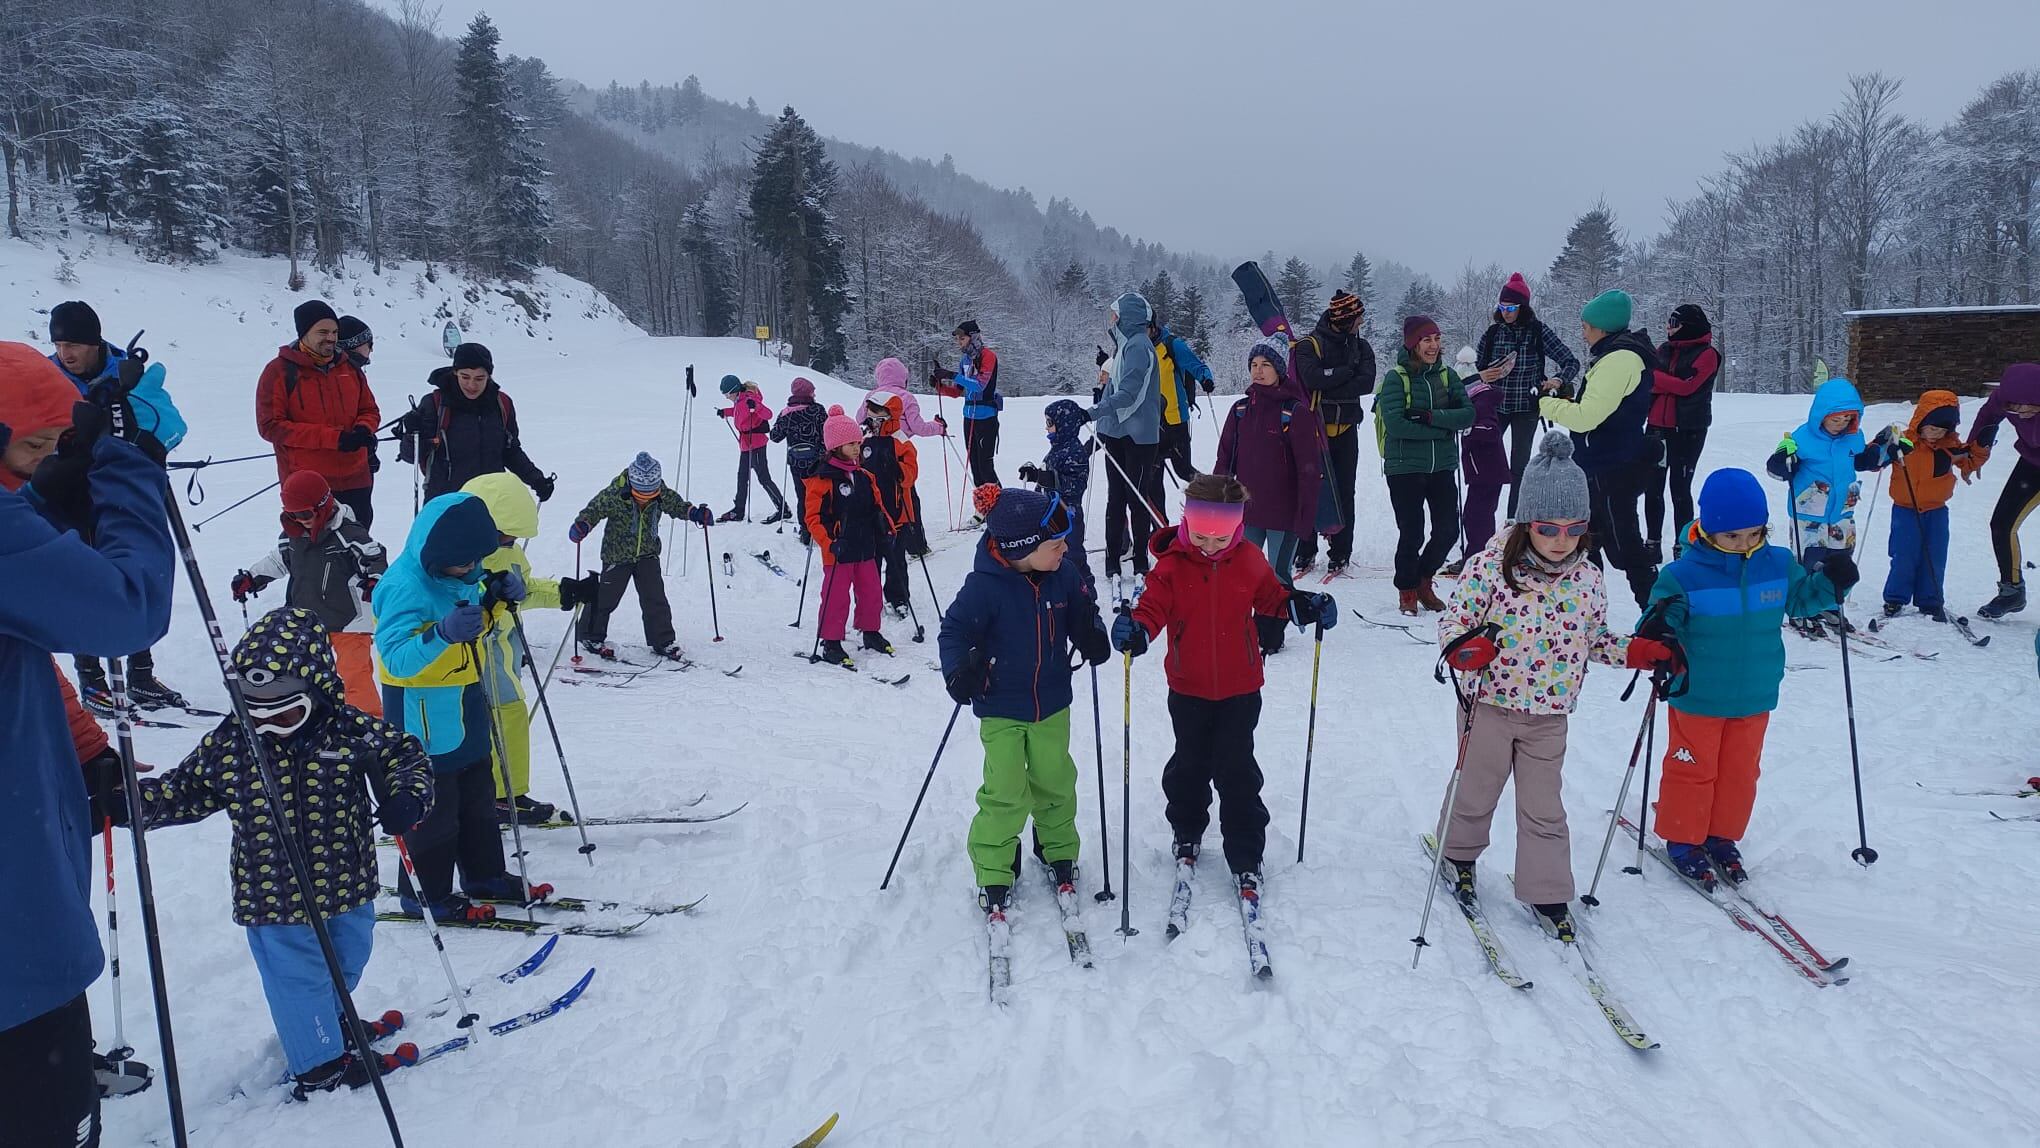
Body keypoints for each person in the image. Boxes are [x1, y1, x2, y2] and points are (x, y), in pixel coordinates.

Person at [118, 608, 433, 1097]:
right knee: (299, 980)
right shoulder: (232, 743)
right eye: (254, 712)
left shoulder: (347, 729)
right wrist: (132, 803)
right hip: (273, 895)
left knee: (349, 956)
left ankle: (330, 1022)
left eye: (284, 713)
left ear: (317, 693)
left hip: (347, 880)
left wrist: (405, 795)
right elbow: (186, 790)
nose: (267, 726)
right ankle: (319, 1063)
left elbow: (403, 753)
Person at [1, 340, 174, 1148]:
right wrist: (126, 473)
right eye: (30, 447)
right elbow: (128, 608)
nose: (38, 465)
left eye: (51, 448)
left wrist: (80, 746)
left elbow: (20, 643)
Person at [1434, 433, 1675, 935]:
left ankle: (1546, 891)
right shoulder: (1488, 569)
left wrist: (1635, 651)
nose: (1561, 539)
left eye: (1574, 528)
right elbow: (1454, 623)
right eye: (1548, 528)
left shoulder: (1587, 578)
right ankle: (1457, 855)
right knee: (1476, 793)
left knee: (1544, 809)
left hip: (1549, 716)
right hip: (1490, 707)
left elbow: (1594, 638)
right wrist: (1464, 648)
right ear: (1526, 523)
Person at [1111, 474, 1336, 896]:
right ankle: (1187, 829)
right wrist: (1138, 630)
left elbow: (1272, 597)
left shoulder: (1249, 559)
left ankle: (1246, 852)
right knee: (1190, 764)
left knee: (1237, 771)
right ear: (1186, 523)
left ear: (1237, 527)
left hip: (1240, 687)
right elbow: (1152, 608)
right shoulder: (1172, 566)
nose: (1209, 548)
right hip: (1188, 687)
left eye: (1220, 539)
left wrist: (1301, 605)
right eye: (1200, 537)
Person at [1643, 468, 1856, 884]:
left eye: (1754, 534)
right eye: (1732, 537)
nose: (1745, 545)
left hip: (1754, 693)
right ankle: (1684, 839)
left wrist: (1832, 583)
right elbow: (1660, 614)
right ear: (1707, 530)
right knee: (1694, 769)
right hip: (1699, 694)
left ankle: (1721, 836)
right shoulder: (1683, 574)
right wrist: (1661, 631)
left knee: (1740, 771)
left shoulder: (1776, 563)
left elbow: (1801, 600)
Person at [375, 490, 552, 921]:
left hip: (466, 699)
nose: (473, 570)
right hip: (423, 714)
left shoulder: (461, 572)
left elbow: (473, 627)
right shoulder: (402, 587)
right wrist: (441, 634)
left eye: (478, 562)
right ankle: (425, 895)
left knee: (478, 791)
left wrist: (491, 601)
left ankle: (484, 874)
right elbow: (394, 657)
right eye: (465, 564)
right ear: (437, 557)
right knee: (434, 806)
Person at [939, 486, 1110, 913]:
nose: (1064, 549)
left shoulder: (1063, 573)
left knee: (1056, 782)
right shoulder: (985, 586)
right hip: (1000, 707)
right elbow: (954, 632)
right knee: (1006, 791)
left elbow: (1082, 611)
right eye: (1055, 545)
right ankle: (996, 868)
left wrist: (1092, 632)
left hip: (1052, 703)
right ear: (1022, 548)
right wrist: (960, 669)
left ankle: (1058, 849)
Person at [46, 300, 191, 710]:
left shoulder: (129, 373)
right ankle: (91, 678)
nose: (65, 353)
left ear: (95, 342)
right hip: (70, 494)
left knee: (136, 574)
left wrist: (142, 435)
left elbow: (172, 427)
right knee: (83, 581)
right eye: (58, 343)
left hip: (126, 492)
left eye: (73, 343)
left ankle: (141, 675)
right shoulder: (45, 377)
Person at [463, 472, 601, 825]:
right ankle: (491, 796)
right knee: (491, 722)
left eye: (514, 535)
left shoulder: (506, 553)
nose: (511, 541)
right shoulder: (461, 554)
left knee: (507, 719)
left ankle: (502, 793)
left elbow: (522, 590)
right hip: (473, 655)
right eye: (506, 534)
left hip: (504, 653)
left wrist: (564, 593)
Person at [1537, 290, 1660, 609]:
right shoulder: (1614, 356)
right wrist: (1567, 398)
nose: (1583, 332)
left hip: (1612, 467)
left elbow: (1587, 418)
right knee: (1586, 543)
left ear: (1603, 328)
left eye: (1586, 326)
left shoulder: (1620, 359)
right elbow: (1598, 409)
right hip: (1599, 465)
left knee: (1626, 549)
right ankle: (1584, 614)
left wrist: (1547, 405)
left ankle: (1659, 618)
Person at [232, 470, 388, 716]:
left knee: (353, 673)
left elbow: (374, 557)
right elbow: (278, 561)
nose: (300, 520)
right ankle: (311, 713)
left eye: (304, 514)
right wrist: (252, 578)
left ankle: (366, 719)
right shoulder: (293, 536)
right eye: (292, 516)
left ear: (323, 506)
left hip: (349, 620)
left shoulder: (348, 534)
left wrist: (373, 582)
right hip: (307, 619)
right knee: (305, 670)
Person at [1214, 342, 1325, 653]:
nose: (1258, 371)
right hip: (1247, 512)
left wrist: (1305, 517)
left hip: (1284, 515)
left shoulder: (1295, 411)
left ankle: (1271, 633)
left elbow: (1308, 470)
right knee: (1240, 571)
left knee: (1276, 575)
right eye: (1254, 365)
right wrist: (1214, 504)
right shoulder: (1239, 410)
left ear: (1279, 370)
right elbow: (1225, 460)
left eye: (1265, 364)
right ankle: (1236, 626)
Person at [1764, 376, 1893, 631]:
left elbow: (1860, 461)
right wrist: (1783, 461)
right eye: (1836, 419)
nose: (1841, 425)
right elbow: (1776, 469)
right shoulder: (1802, 438)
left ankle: (1831, 605)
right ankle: (1804, 607)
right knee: (1810, 560)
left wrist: (1884, 453)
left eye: (1848, 420)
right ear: (1820, 415)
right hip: (1809, 513)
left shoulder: (1854, 438)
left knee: (1841, 560)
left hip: (1842, 512)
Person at [567, 452, 713, 661]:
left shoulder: (660, 493)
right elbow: (593, 510)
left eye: (651, 493)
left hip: (647, 553)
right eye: (641, 493)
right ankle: (589, 635)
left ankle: (662, 640)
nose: (646, 496)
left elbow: (677, 505)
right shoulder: (615, 493)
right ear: (632, 485)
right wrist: (583, 524)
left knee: (655, 598)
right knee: (605, 597)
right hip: (617, 554)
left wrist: (695, 513)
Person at [1377, 315, 1475, 615]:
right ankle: (1407, 589)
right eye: (1426, 340)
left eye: (1436, 339)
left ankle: (1423, 579)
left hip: (1441, 465)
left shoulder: (1447, 376)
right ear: (1412, 344)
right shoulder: (1397, 377)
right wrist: (1443, 429)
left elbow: (1468, 414)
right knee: (1413, 531)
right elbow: (1396, 424)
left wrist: (1431, 418)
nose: (1433, 346)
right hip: (1404, 467)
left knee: (1447, 529)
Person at [257, 299, 382, 525]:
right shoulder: (279, 371)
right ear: (304, 333)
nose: (331, 338)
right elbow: (270, 426)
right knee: (312, 552)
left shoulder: (349, 367)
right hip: (308, 483)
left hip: (357, 478)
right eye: (322, 332)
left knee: (359, 548)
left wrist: (364, 428)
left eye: (334, 332)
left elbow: (369, 409)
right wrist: (334, 438)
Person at [1473, 273, 1581, 515]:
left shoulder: (1538, 332)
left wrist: (1557, 379)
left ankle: (1513, 523)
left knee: (1519, 469)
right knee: (1488, 464)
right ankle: (1482, 520)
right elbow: (1474, 370)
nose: (1506, 312)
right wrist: (1483, 375)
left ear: (1523, 307)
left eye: (1511, 307)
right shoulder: (1492, 334)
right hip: (1494, 409)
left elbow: (1571, 362)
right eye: (1502, 307)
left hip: (1527, 408)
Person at [1291, 290, 1378, 577]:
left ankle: (1340, 551)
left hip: (1346, 431)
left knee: (1344, 493)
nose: (1361, 322)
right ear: (1345, 319)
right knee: (1307, 489)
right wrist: (1346, 372)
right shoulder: (1309, 344)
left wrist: (1331, 380)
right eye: (1358, 317)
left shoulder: (1362, 347)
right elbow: (1312, 378)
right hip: (1312, 431)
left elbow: (1365, 384)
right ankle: (1304, 549)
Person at [402, 342, 553, 505]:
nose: (472, 385)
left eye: (479, 378)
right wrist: (411, 434)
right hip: (445, 502)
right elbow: (411, 455)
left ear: (489, 376)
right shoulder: (435, 404)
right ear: (455, 372)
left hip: (491, 501)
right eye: (465, 377)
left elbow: (510, 451)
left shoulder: (501, 404)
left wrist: (536, 479)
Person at [804, 408, 897, 667]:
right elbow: (813, 518)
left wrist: (886, 526)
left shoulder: (864, 476)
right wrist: (829, 543)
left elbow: (877, 505)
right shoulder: (822, 479)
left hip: (865, 544)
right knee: (836, 596)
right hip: (839, 549)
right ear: (835, 446)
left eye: (858, 442)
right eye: (851, 444)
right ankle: (831, 641)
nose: (857, 448)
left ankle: (870, 631)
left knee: (871, 590)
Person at [1882, 391, 1981, 621]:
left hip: (1936, 511)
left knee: (1934, 556)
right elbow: (1874, 459)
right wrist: (1884, 448)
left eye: (1943, 430)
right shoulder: (1903, 443)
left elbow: (1970, 459)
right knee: (1904, 555)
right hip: (1905, 510)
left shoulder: (1950, 446)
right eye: (1933, 429)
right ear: (1921, 422)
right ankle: (1895, 598)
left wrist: (1982, 446)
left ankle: (1930, 600)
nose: (1937, 435)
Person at [1092, 293, 1163, 600]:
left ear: (1129, 316)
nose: (1112, 319)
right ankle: (1112, 560)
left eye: (1116, 314)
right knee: (1116, 498)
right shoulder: (1124, 345)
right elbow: (1114, 387)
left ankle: (1140, 561)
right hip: (1118, 433)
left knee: (1135, 498)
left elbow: (1130, 394)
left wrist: (1093, 411)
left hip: (1137, 437)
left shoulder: (1139, 347)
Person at [1645, 304, 1721, 561]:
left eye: (1674, 323)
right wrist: (1663, 382)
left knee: (1680, 488)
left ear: (1687, 326)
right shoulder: (1664, 349)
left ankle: (1682, 544)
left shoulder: (1707, 354)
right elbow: (1648, 380)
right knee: (1653, 487)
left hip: (1688, 430)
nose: (1668, 328)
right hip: (1656, 427)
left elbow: (1689, 387)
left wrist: (1658, 380)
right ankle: (1652, 541)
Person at [1967, 362, 2040, 619]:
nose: (2019, 412)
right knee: (2001, 524)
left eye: (2026, 405)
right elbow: (1987, 417)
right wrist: (1973, 454)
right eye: (2013, 407)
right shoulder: (2005, 399)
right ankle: (2012, 592)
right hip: (2033, 462)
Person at [1017, 399, 1095, 590]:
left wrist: (1042, 477)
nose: (1047, 428)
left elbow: (1074, 486)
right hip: (1051, 516)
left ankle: (1088, 604)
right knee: (1052, 561)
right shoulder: (1059, 448)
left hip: (1069, 517)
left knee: (1073, 560)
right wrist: (1035, 478)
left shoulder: (1075, 452)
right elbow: (1048, 478)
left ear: (1064, 424)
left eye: (1050, 424)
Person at [871, 357, 949, 545]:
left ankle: (880, 539)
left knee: (877, 495)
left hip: (872, 454)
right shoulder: (906, 397)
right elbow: (919, 427)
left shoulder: (871, 396)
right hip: (898, 453)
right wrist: (939, 427)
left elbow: (859, 422)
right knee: (907, 497)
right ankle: (916, 544)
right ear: (903, 377)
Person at [861, 390, 921, 627]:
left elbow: (912, 474)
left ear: (889, 413)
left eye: (876, 410)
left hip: (897, 511)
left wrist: (899, 471)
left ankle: (898, 597)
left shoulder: (900, 440)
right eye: (870, 409)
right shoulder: (864, 437)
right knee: (871, 559)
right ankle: (871, 598)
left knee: (896, 560)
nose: (871, 414)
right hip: (870, 511)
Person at [1448, 345, 1508, 575]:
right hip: (1481, 470)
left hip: (1487, 470)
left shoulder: (1481, 400)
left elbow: (1490, 430)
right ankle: (1476, 556)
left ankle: (1478, 560)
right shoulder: (1477, 399)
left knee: (1476, 516)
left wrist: (1466, 428)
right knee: (1476, 514)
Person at [933, 319, 1003, 492]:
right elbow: (958, 391)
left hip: (986, 417)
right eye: (957, 339)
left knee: (986, 467)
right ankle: (983, 509)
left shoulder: (988, 356)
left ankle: (1001, 506)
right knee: (975, 467)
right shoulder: (965, 359)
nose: (959, 342)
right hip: (968, 417)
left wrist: (952, 374)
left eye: (961, 339)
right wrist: (939, 386)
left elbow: (980, 385)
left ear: (973, 337)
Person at [1150, 316, 1216, 485]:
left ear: (1152, 326)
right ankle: (1157, 513)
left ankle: (1217, 494)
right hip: (1150, 424)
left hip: (1175, 421)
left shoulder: (1172, 345)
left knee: (1184, 471)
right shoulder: (1137, 349)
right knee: (1152, 477)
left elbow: (1197, 366)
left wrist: (1205, 379)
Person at [718, 375, 790, 523]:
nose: (726, 397)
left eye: (726, 394)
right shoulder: (739, 401)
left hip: (756, 445)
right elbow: (738, 411)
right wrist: (725, 412)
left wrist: (755, 406)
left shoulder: (750, 399)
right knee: (742, 477)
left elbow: (768, 414)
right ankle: (738, 511)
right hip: (745, 445)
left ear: (734, 391)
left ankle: (783, 509)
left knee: (763, 478)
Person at [771, 376, 829, 547]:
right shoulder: (818, 410)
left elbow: (775, 437)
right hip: (818, 461)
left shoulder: (786, 413)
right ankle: (822, 527)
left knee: (802, 496)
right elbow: (826, 433)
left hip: (796, 462)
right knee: (819, 494)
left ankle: (806, 531)